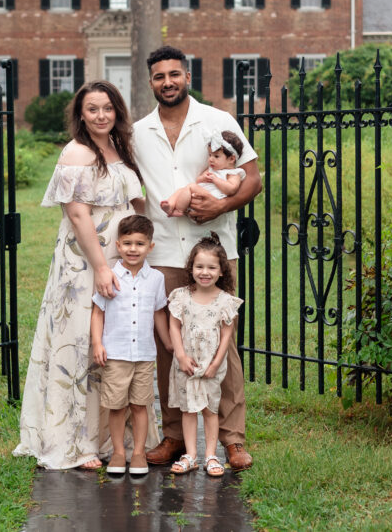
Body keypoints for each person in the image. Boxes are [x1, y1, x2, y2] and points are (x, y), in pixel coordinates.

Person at [14, 81, 159, 469]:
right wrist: (98, 266)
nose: (101, 116)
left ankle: (117, 437)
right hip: (85, 260)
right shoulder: (76, 152)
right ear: (80, 113)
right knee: (81, 341)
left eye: (108, 108)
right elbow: (77, 214)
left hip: (123, 255)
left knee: (117, 341)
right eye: (92, 109)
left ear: (117, 111)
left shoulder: (120, 148)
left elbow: (134, 198)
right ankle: (79, 443)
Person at [132, 45, 262, 472]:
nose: (167, 82)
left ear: (187, 75)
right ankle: (174, 437)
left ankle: (233, 439)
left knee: (224, 343)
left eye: (174, 74)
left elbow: (253, 179)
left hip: (214, 251)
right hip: (164, 253)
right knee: (170, 345)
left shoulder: (219, 122)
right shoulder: (138, 133)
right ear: (150, 82)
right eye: (158, 76)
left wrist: (221, 207)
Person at [90, 214, 171, 476]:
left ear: (150, 246)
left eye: (139, 243)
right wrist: (97, 344)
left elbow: (159, 312)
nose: (133, 249)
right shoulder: (110, 276)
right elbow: (98, 312)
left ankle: (138, 453)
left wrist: (169, 343)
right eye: (127, 243)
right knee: (116, 405)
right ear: (117, 245)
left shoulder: (156, 279)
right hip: (115, 353)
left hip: (145, 354)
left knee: (139, 405)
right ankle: (118, 452)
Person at [167, 233, 242, 477]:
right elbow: (174, 326)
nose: (205, 272)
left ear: (222, 271)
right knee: (188, 410)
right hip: (186, 364)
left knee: (210, 409)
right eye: (199, 266)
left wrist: (216, 363)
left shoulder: (225, 301)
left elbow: (227, 336)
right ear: (191, 268)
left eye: (211, 267)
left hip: (211, 366)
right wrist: (180, 356)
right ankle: (191, 455)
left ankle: (211, 454)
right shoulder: (181, 297)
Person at [161, 130, 245, 218]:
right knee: (181, 190)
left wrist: (216, 180)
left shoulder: (233, 173)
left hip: (212, 199)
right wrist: (203, 178)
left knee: (190, 186)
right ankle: (170, 205)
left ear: (231, 159)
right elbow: (198, 181)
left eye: (216, 156)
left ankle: (179, 210)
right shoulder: (211, 169)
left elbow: (231, 189)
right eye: (210, 155)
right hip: (199, 196)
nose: (211, 159)